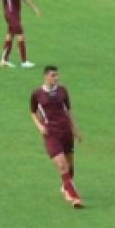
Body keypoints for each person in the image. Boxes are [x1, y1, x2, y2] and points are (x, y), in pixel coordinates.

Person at [30, 65, 84, 208]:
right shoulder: (37, 94)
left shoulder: (63, 91)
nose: (56, 78)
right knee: (62, 164)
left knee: (69, 163)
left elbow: (68, 110)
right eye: (53, 75)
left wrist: (75, 129)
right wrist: (39, 126)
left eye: (57, 75)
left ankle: (66, 186)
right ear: (46, 76)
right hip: (51, 133)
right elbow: (33, 112)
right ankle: (75, 197)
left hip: (65, 130)